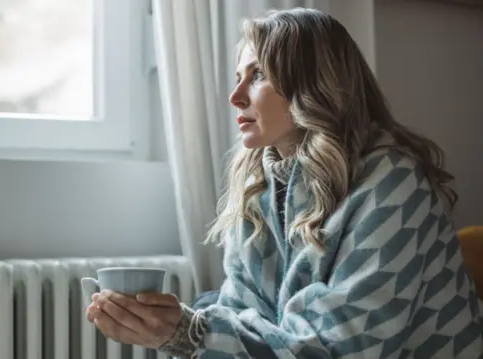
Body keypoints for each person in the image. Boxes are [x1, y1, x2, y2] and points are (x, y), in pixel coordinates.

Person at [86, 7, 483, 358]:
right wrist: (181, 333)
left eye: (258, 75)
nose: (235, 96)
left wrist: (191, 334)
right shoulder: (259, 185)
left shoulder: (394, 185)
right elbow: (244, 315)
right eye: (239, 76)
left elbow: (343, 348)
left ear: (314, 84)